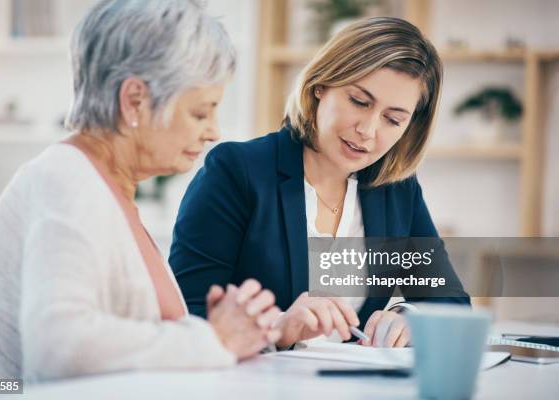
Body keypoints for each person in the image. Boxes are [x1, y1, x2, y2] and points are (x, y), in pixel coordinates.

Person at [0, 0, 281, 382]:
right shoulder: (66, 181)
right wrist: (213, 340)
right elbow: (60, 348)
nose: (213, 131)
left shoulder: (105, 190)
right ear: (134, 101)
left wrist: (240, 333)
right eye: (199, 112)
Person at [169, 17, 470, 350]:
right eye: (359, 101)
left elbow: (452, 304)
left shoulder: (397, 190)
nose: (368, 131)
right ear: (320, 86)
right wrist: (278, 330)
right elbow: (185, 314)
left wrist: (407, 315)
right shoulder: (236, 171)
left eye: (393, 119)